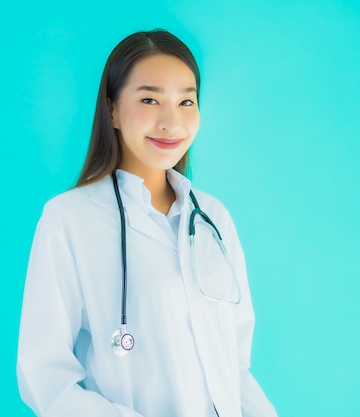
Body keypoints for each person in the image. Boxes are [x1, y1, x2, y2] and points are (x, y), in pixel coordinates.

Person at [16, 29, 278, 417]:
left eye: (186, 101)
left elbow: (233, 366)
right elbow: (44, 376)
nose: (171, 123)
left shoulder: (212, 217)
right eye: (150, 99)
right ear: (112, 110)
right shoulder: (69, 219)